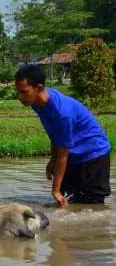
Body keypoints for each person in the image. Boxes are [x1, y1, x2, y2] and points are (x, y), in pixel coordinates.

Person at [15, 65, 111, 206]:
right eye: (17, 91)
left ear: (39, 88)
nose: (19, 96)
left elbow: (63, 151)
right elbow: (55, 133)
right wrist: (53, 158)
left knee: (93, 204)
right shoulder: (36, 102)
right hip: (74, 152)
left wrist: (55, 190)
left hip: (93, 153)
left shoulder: (62, 112)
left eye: (24, 92)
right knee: (69, 201)